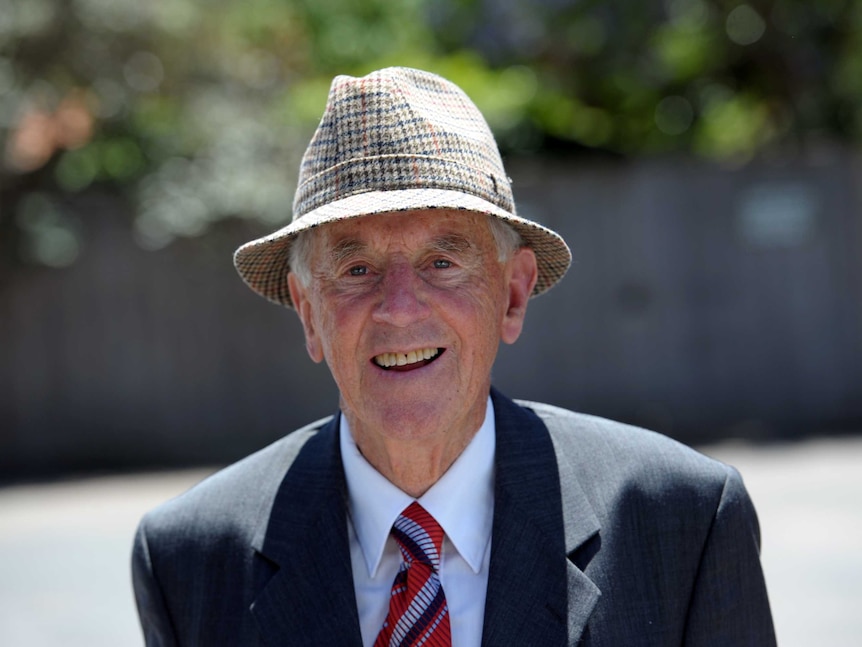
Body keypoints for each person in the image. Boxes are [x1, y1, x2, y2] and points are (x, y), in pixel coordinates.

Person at [132, 67, 776, 646]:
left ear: (512, 296)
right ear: (309, 313)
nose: (401, 309)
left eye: (443, 262)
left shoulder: (681, 522)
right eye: (356, 269)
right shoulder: (188, 561)